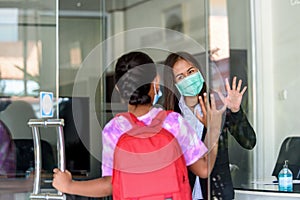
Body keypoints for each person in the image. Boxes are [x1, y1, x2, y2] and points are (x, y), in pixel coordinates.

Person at [52, 51, 226, 198]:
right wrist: (214, 128)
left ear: (119, 89)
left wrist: (69, 186)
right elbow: (203, 169)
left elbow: (110, 184)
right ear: (156, 81)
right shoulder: (173, 122)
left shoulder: (114, 130)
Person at [163, 51, 257, 200]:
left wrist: (235, 111)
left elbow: (249, 142)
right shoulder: (171, 116)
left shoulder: (217, 104)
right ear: (174, 84)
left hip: (217, 194)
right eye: (181, 77)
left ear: (200, 71)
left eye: (191, 71)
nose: (188, 78)